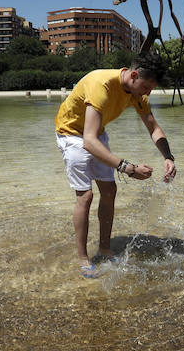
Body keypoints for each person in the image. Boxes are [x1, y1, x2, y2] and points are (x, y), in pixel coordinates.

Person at [55, 51, 177, 278]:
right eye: (146, 87)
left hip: (95, 133)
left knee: (110, 190)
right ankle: (83, 257)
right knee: (86, 196)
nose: (148, 93)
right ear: (133, 76)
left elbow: (153, 128)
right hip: (71, 133)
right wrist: (128, 168)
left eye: (151, 89)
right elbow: (88, 143)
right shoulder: (101, 85)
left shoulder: (137, 92)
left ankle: (105, 248)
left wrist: (168, 157)